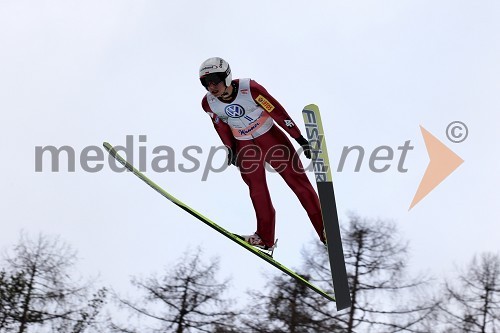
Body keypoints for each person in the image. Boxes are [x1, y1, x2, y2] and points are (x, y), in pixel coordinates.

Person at [199, 57, 326, 250]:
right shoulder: (208, 103)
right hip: (245, 146)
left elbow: (277, 112)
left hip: (270, 138)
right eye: (206, 83)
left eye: (215, 80)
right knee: (257, 191)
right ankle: (264, 239)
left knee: (298, 183)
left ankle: (324, 230)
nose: (212, 87)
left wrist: (299, 138)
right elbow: (221, 126)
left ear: (226, 77)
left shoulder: (250, 89)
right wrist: (230, 148)